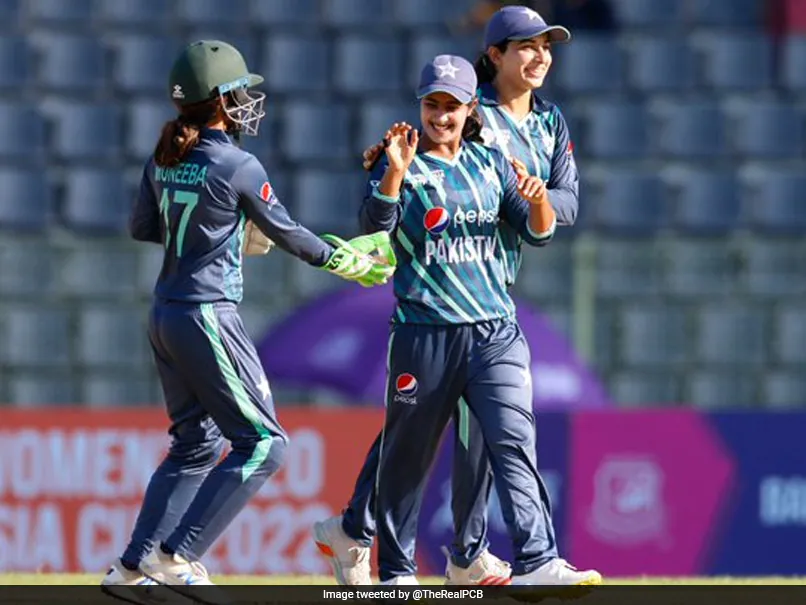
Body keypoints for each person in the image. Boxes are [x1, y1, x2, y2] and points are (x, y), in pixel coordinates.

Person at [100, 39, 394, 598]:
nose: (247, 102)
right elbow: (289, 233)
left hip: (165, 314)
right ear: (219, 100)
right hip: (208, 313)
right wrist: (345, 261)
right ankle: (177, 556)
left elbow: (144, 227)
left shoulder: (164, 156)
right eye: (239, 92)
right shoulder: (237, 163)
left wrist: (219, 229)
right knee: (264, 444)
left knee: (194, 445)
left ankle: (132, 567)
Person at [315, 5, 597, 587]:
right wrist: (391, 168)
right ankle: (440, 554)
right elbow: (386, 208)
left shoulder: (548, 121)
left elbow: (564, 205)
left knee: (496, 434)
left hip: (492, 293)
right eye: (527, 45)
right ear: (495, 56)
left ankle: (470, 551)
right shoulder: (478, 120)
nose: (540, 56)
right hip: (435, 304)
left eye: (546, 45)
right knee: (422, 438)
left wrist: (535, 198)